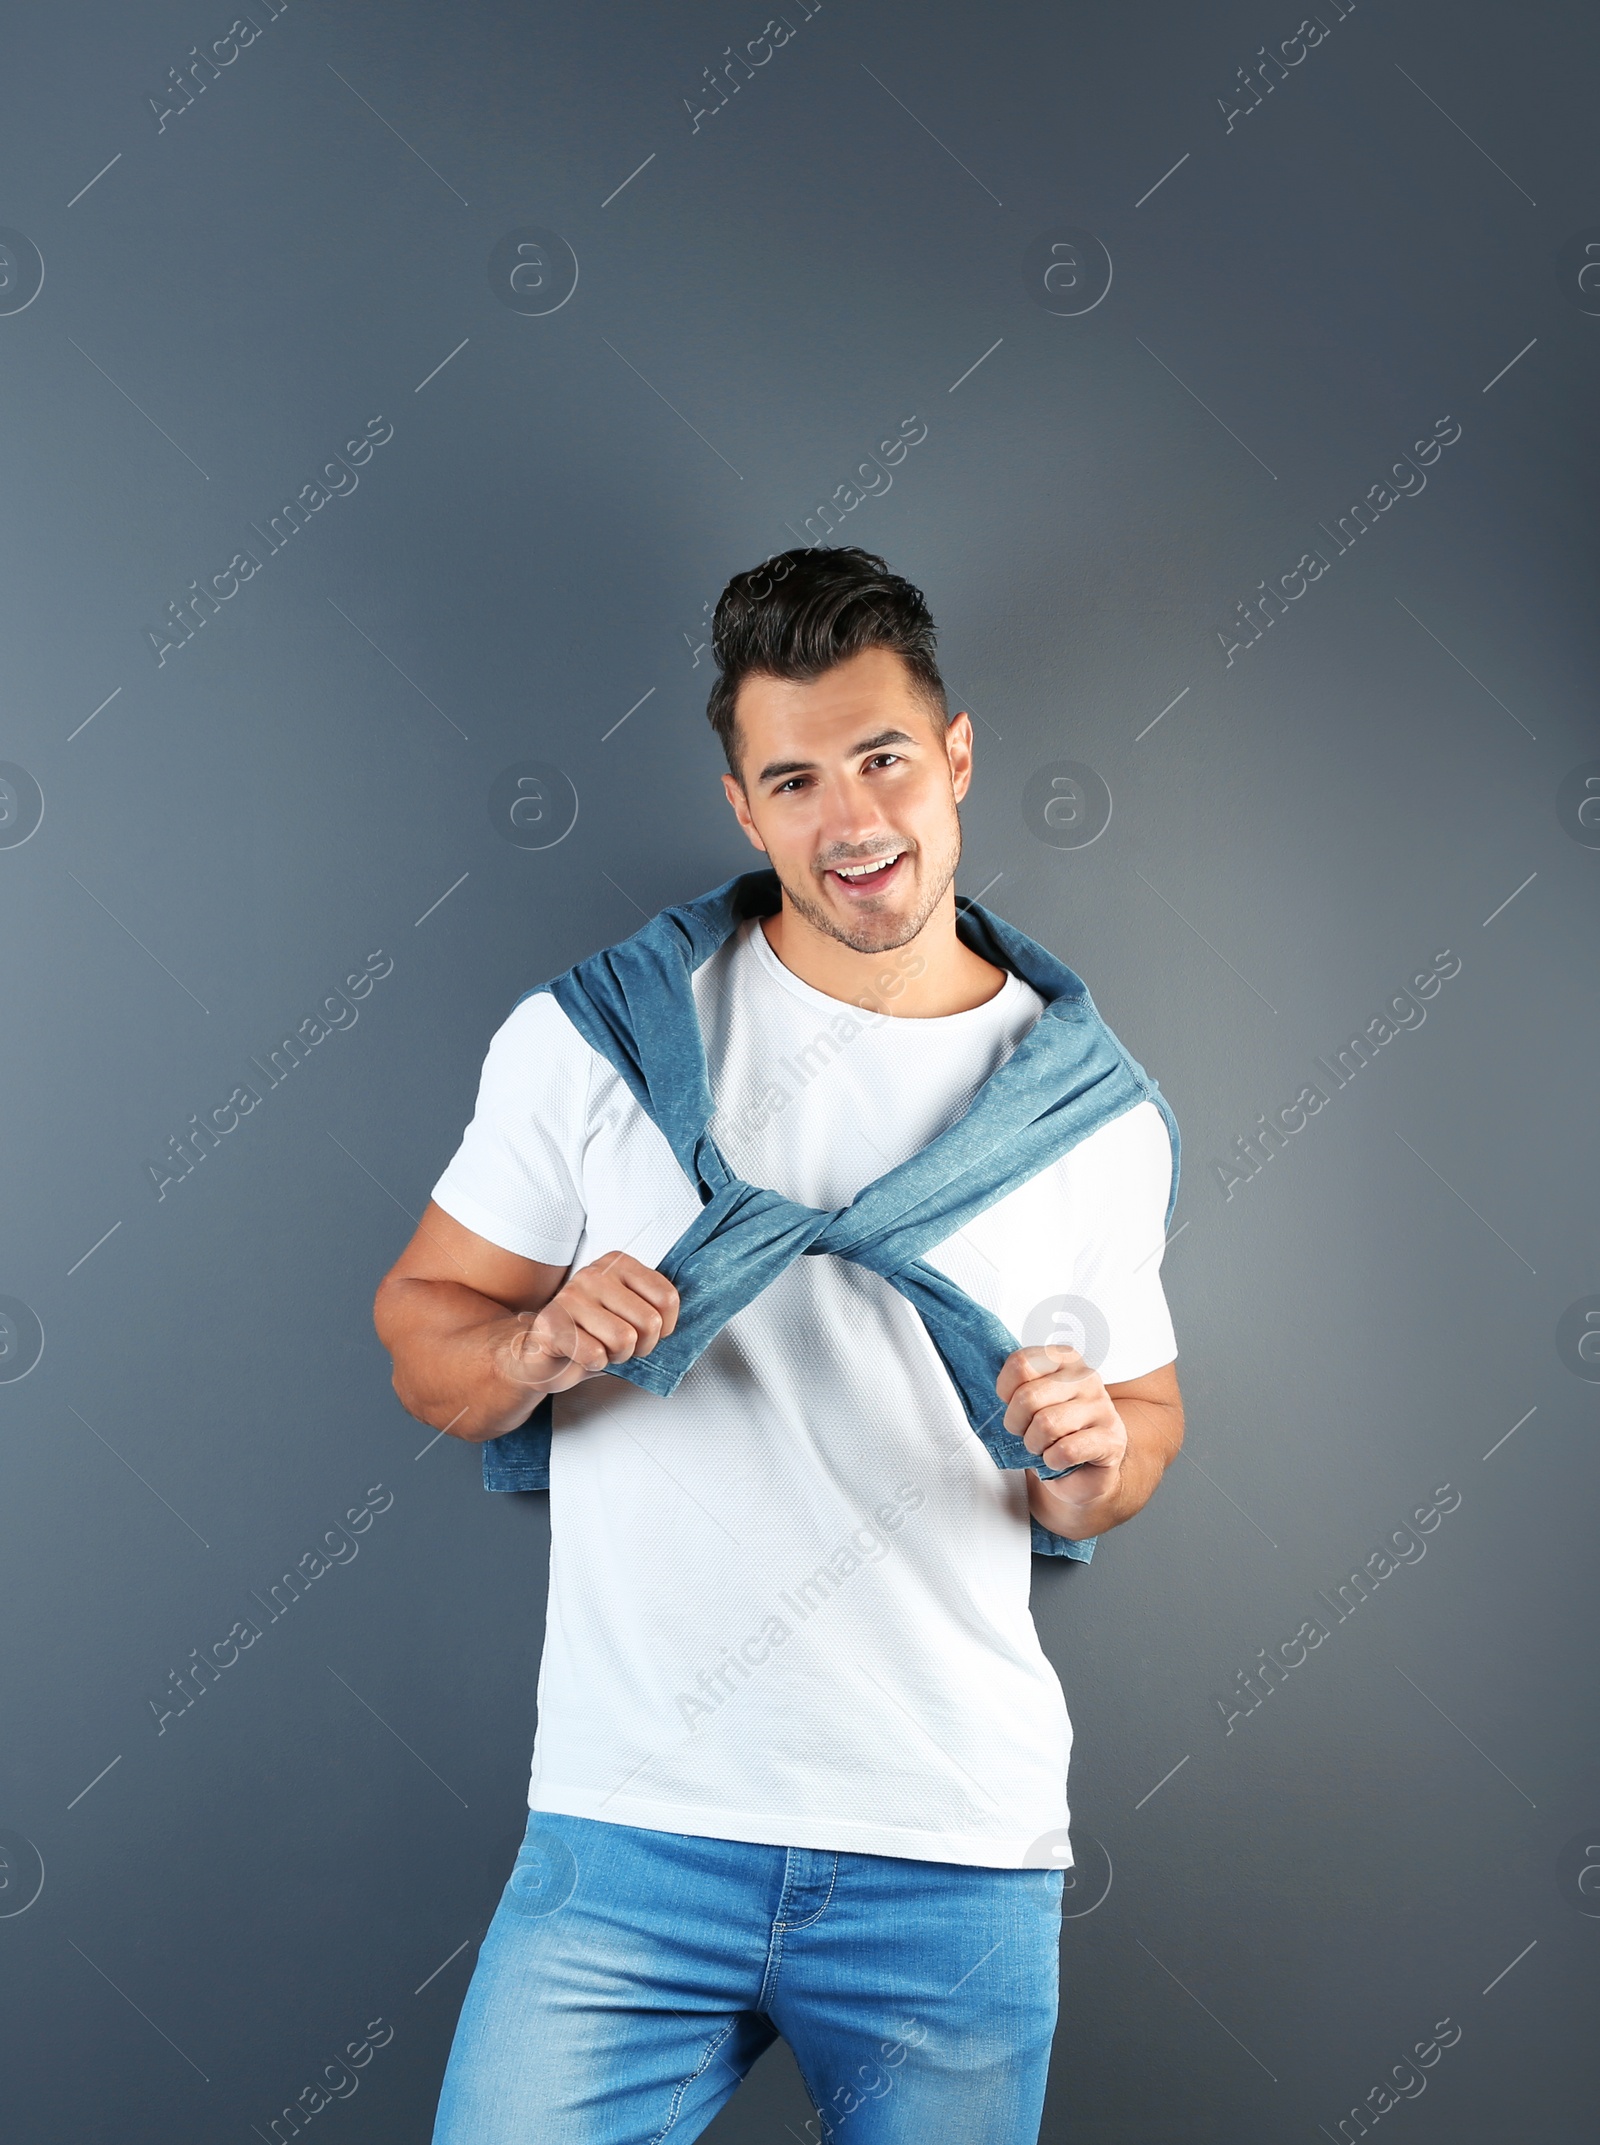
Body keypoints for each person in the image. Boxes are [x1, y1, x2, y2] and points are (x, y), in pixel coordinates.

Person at [374, 546, 1185, 2144]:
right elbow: (424, 1327)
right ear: (745, 808)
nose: (852, 817)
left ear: (954, 757)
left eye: (882, 757)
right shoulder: (602, 1040)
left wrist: (1094, 1462)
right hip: (629, 1840)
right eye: (795, 777)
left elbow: (1142, 1426)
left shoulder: (1090, 1116)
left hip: (947, 1848)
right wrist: (537, 1343)